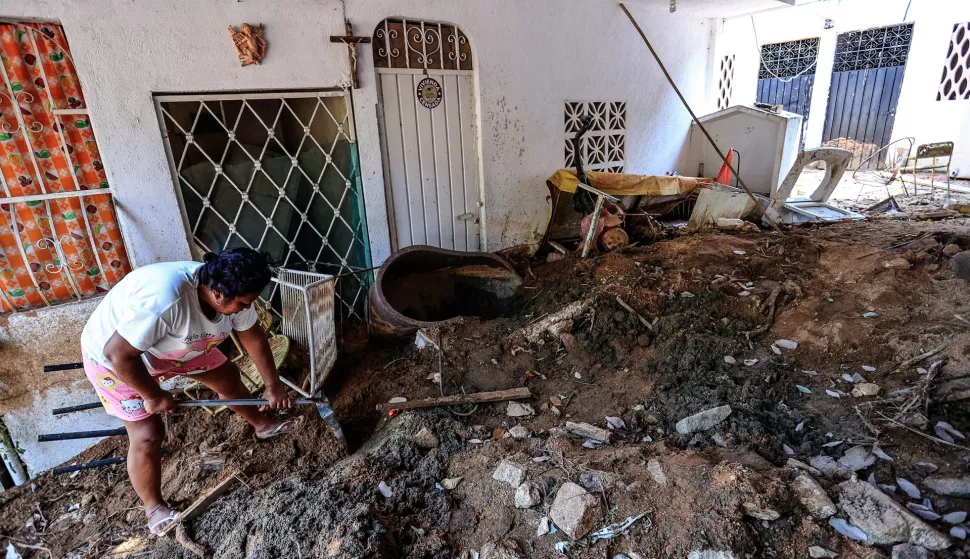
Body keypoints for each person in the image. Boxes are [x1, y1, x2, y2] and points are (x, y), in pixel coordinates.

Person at [80, 248, 301, 535]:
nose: (246, 308)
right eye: (243, 303)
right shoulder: (166, 300)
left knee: (228, 378)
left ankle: (262, 424)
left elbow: (253, 336)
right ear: (219, 293)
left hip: (176, 348)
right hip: (116, 361)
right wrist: (153, 395)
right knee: (147, 434)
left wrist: (273, 385)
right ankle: (154, 508)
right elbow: (118, 354)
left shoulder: (233, 288)